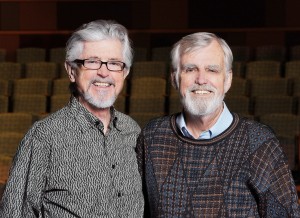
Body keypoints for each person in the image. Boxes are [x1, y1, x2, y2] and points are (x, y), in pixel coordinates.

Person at [136, 32, 300, 217]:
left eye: (212, 70)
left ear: (228, 79)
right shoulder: (152, 137)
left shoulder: (260, 143)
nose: (201, 79)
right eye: (190, 69)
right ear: (175, 79)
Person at [0, 20, 144, 217]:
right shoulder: (44, 136)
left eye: (114, 63)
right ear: (71, 71)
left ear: (124, 73)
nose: (104, 72)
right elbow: (14, 212)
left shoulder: (133, 131)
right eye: (92, 61)